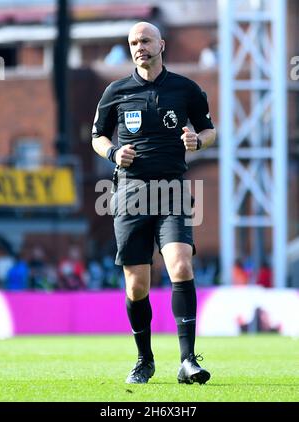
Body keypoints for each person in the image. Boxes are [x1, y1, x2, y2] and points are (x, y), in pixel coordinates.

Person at [92, 22, 216, 385]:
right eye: (133, 42)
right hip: (129, 192)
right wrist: (115, 152)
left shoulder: (185, 89)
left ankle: (188, 360)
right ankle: (144, 360)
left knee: (180, 265)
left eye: (145, 40)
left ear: (161, 44)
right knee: (136, 287)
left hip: (172, 189)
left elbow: (209, 129)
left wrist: (198, 140)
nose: (139, 47)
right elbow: (97, 136)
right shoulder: (116, 91)